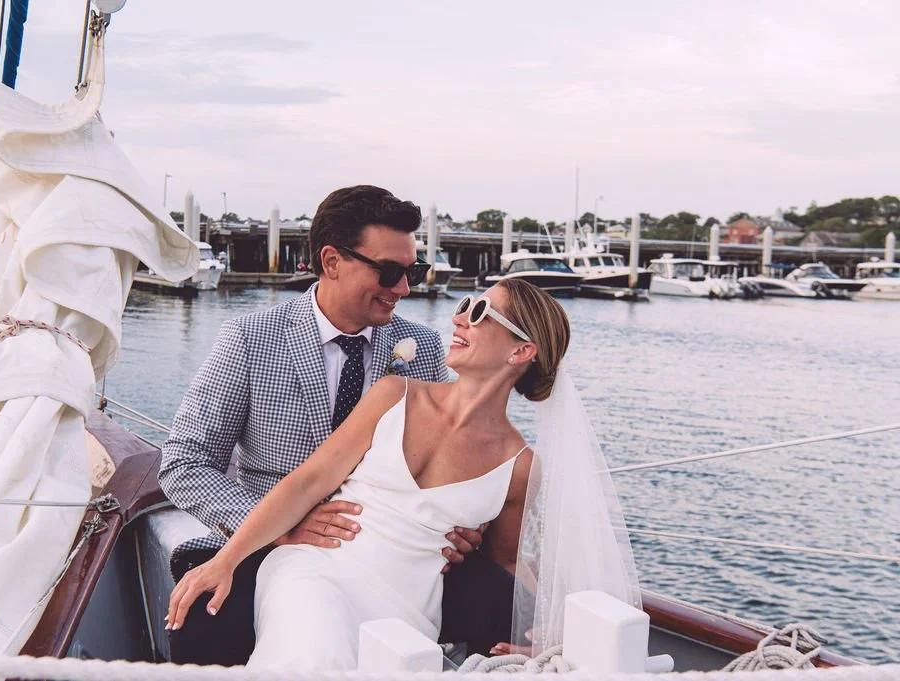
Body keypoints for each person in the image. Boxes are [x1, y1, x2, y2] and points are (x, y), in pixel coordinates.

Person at [167, 280, 639, 670]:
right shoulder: (394, 394)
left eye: (479, 312)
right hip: (317, 568)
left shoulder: (520, 467)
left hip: (409, 610)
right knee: (314, 652)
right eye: (464, 305)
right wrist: (225, 560)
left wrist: (554, 634)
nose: (459, 318)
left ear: (521, 351)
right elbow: (308, 482)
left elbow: (508, 564)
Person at [159, 185, 515, 665]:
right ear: (332, 262)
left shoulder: (424, 348)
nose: (404, 289)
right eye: (389, 272)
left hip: (398, 558)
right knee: (203, 619)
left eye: (412, 272)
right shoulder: (250, 339)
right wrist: (281, 526)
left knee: (498, 596)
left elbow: (453, 457)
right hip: (270, 545)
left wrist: (463, 528)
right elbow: (185, 462)